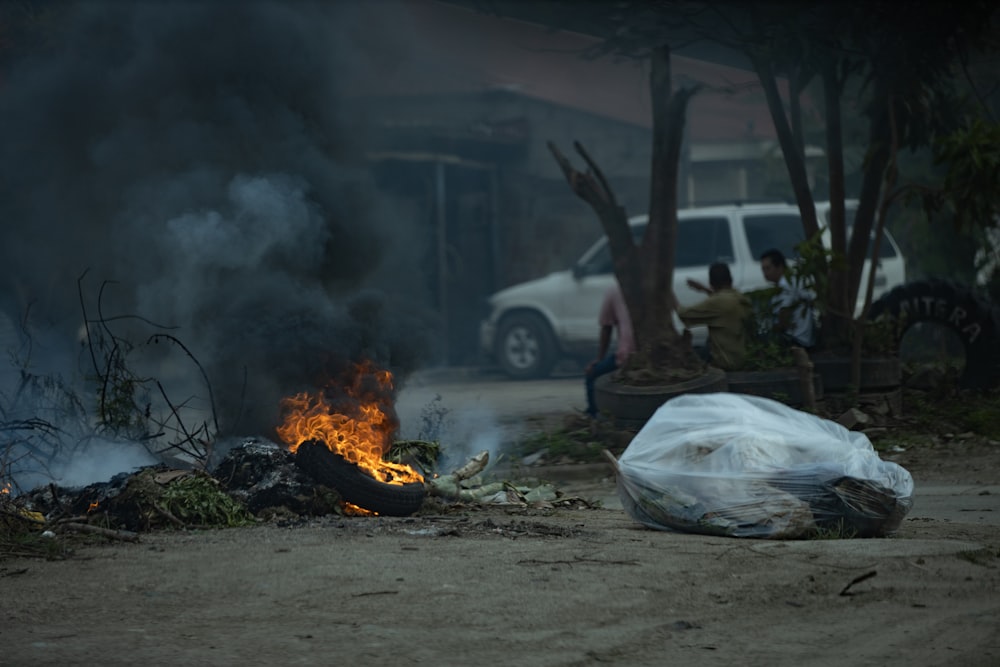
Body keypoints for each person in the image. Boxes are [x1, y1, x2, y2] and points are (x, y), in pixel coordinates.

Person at [674, 262, 751, 371]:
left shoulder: (717, 303)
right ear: (731, 279)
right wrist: (704, 289)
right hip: (740, 356)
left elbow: (683, 314)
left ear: (711, 283)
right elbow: (722, 300)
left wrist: (668, 293)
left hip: (726, 362)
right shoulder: (738, 297)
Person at [584, 284, 635, 418]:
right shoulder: (655, 285)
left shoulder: (615, 289)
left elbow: (606, 328)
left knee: (592, 375)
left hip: (626, 357)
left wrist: (599, 359)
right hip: (657, 353)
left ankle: (593, 415)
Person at [758, 248, 816, 349]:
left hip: (796, 340)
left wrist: (772, 328)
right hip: (802, 339)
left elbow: (784, 318)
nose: (765, 273)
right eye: (763, 269)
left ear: (780, 267)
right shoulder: (792, 281)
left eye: (768, 268)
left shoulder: (786, 284)